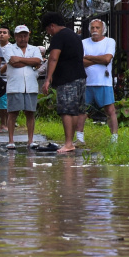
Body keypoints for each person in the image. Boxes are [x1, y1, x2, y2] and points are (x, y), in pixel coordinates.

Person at [41, 11, 86, 153]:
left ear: (52, 26)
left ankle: (68, 143)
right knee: (74, 110)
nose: (49, 33)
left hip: (67, 79)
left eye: (48, 30)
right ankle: (70, 142)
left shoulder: (59, 37)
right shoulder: (75, 36)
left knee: (66, 110)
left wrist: (48, 79)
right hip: (80, 77)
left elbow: (53, 58)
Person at [0, 25, 42, 149]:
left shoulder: (34, 49)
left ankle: (30, 141)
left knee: (30, 113)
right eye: (20, 36)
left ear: (28, 36)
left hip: (30, 85)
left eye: (25, 35)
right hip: (15, 86)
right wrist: (29, 62)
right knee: (12, 113)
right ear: (15, 37)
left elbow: (38, 62)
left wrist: (21, 60)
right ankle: (11, 141)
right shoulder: (9, 48)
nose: (23, 38)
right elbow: (13, 62)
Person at [77, 19, 118, 144]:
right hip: (87, 82)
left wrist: (89, 57)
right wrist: (98, 59)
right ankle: (79, 138)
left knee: (110, 111)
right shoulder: (83, 42)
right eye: (92, 28)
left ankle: (114, 139)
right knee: (82, 111)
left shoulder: (109, 41)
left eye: (97, 28)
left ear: (103, 29)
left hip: (104, 82)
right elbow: (80, 62)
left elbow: (107, 58)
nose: (95, 30)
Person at [0, 25, 12, 132]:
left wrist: (0, 71)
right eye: (0, 32)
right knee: (0, 102)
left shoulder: (11, 48)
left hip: (7, 78)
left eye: (4, 32)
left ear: (9, 36)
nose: (2, 34)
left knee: (5, 103)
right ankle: (2, 124)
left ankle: (5, 124)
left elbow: (9, 62)